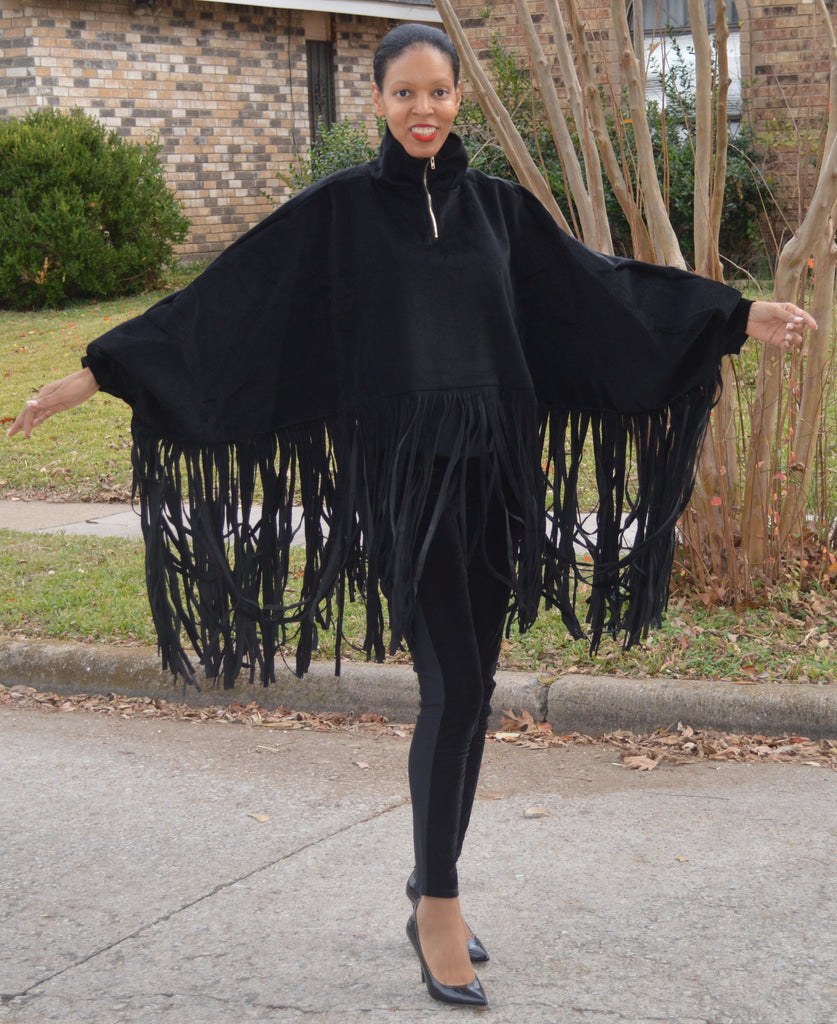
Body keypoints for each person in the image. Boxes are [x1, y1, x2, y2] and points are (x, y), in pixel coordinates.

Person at [8, 24, 815, 1008]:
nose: (423, 109)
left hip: (493, 485)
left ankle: (434, 877)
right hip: (403, 491)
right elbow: (225, 303)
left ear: (458, 98)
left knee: (475, 692)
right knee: (454, 686)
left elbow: (601, 291)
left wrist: (734, 315)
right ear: (379, 102)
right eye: (405, 94)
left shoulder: (499, 212)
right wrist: (94, 374)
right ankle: (438, 904)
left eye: (438, 92)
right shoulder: (339, 213)